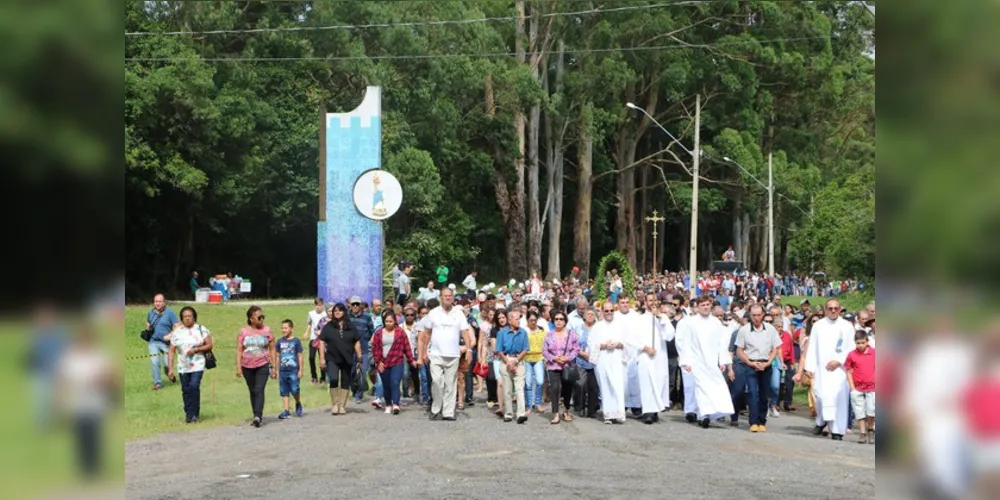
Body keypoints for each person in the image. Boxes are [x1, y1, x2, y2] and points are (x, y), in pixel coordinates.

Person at [675, 295, 735, 429]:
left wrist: (723, 361)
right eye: (703, 305)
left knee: (713, 388)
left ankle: (710, 411)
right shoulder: (691, 322)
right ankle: (703, 415)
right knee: (700, 387)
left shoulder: (716, 322)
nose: (706, 307)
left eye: (708, 305)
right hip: (696, 361)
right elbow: (686, 343)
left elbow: (722, 343)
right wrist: (686, 361)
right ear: (697, 307)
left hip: (712, 362)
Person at [417, 288, 475, 422]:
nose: (447, 298)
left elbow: (465, 332)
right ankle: (436, 408)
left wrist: (469, 350)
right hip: (436, 354)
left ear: (453, 297)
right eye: (445, 296)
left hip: (453, 354)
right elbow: (427, 333)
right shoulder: (433, 313)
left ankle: (448, 412)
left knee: (450, 384)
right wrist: (424, 352)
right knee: (437, 382)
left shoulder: (458, 314)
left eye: (450, 296)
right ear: (441, 298)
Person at [803, 299, 856, 440]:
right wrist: (809, 367)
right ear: (825, 310)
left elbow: (851, 348)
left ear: (839, 310)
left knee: (839, 399)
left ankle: (837, 430)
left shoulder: (847, 326)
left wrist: (839, 361)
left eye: (836, 308)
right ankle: (821, 421)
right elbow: (812, 346)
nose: (833, 311)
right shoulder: (818, 326)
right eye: (830, 308)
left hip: (840, 370)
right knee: (821, 397)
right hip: (822, 369)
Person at [733, 305, 782, 433]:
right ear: (750, 315)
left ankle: (761, 421)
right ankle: (753, 421)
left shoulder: (770, 329)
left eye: (758, 315)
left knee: (764, 394)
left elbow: (776, 348)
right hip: (751, 364)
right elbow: (739, 350)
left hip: (766, 364)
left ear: (763, 315)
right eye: (753, 315)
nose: (756, 318)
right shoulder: (744, 330)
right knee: (752, 393)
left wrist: (768, 362)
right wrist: (749, 362)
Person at [624, 292, 671, 424]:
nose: (653, 303)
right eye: (650, 300)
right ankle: (648, 412)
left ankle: (654, 411)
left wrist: (660, 318)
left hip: (660, 357)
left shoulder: (663, 318)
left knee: (659, 382)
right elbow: (631, 339)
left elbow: (669, 336)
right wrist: (645, 348)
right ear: (645, 302)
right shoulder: (639, 319)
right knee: (647, 384)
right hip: (645, 356)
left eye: (655, 300)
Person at [166, 306, 213, 424]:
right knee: (185, 389)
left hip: (198, 363)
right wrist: (170, 369)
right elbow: (171, 351)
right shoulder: (177, 332)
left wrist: (197, 349)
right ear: (182, 318)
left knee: (194, 386)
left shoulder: (201, 329)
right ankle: (188, 414)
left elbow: (209, 345)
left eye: (189, 316)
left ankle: (195, 414)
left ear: (194, 317)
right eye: (185, 316)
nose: (187, 318)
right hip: (183, 366)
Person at [318, 303, 362, 415]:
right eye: (335, 311)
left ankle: (342, 405)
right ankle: (335, 404)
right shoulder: (328, 326)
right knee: (333, 379)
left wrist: (359, 356)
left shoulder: (350, 326)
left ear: (344, 312)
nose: (337, 312)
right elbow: (321, 341)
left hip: (347, 357)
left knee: (345, 381)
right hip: (332, 357)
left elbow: (356, 341)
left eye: (340, 310)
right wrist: (322, 358)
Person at [589, 302, 628, 424]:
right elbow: (591, 343)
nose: (609, 313)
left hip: (617, 359)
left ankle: (619, 413)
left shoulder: (620, 325)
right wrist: (603, 345)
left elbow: (628, 342)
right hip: (603, 359)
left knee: (618, 385)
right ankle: (608, 415)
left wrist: (619, 344)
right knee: (605, 386)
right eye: (606, 311)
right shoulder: (597, 327)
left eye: (611, 310)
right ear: (602, 311)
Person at [372, 310, 418, 415]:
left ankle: (396, 404)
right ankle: (388, 404)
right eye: (387, 321)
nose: (388, 323)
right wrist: (378, 362)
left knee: (395, 382)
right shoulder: (379, 333)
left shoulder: (400, 333)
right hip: (383, 363)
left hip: (397, 361)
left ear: (395, 322)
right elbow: (375, 349)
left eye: (391, 321)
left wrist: (411, 360)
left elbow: (407, 347)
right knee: (386, 384)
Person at [236, 305, 275, 428]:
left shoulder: (267, 330)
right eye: (259, 317)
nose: (261, 319)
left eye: (263, 316)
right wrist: (238, 367)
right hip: (247, 366)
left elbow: (272, 349)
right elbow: (239, 350)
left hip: (263, 364)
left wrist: (274, 366)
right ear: (251, 319)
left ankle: (258, 416)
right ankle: (255, 414)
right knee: (252, 390)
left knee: (259, 389)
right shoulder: (243, 332)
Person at [542, 311, 580, 424]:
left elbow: (576, 349)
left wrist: (568, 358)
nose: (559, 321)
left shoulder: (571, 334)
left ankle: (566, 410)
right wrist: (554, 358)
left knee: (567, 389)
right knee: (554, 388)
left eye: (561, 319)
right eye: (556, 319)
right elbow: (544, 350)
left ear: (565, 321)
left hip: (567, 365)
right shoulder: (549, 335)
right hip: (553, 365)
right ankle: (555, 414)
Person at [495, 309, 529, 423]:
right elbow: (498, 350)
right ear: (510, 320)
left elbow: (526, 349)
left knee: (519, 388)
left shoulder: (523, 332)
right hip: (506, 359)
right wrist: (508, 362)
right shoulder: (501, 333)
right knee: (507, 389)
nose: (518, 321)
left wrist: (516, 361)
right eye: (516, 319)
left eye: (519, 319)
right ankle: (508, 414)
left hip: (519, 360)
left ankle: (521, 414)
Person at [844, 331, 876, 444]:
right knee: (859, 411)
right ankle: (863, 432)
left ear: (867, 341)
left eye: (863, 343)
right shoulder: (852, 355)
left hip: (872, 387)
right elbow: (848, 370)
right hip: (857, 387)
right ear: (855, 343)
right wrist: (852, 387)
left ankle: (870, 428)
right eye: (858, 343)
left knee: (872, 410)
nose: (860, 345)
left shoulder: (874, 353)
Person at [347, 296, 378, 405]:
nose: (355, 306)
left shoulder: (366, 317)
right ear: (350, 305)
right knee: (351, 372)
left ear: (360, 305)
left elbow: (372, 331)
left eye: (357, 304)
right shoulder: (346, 316)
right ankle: (354, 391)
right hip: (349, 350)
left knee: (362, 372)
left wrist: (367, 340)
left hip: (364, 349)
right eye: (353, 304)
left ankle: (359, 394)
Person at [145, 293, 180, 390]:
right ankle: (158, 383)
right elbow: (148, 322)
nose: (157, 303)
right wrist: (148, 326)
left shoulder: (170, 313)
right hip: (153, 342)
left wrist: (170, 335)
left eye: (160, 301)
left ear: (164, 303)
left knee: (167, 364)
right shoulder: (150, 313)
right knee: (155, 362)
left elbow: (178, 326)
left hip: (166, 344)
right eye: (156, 301)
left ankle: (169, 373)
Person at [274, 319, 304, 419]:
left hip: (293, 370)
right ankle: (286, 411)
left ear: (291, 328)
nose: (283, 330)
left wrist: (301, 370)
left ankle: (297, 402)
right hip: (283, 370)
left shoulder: (296, 341)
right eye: (282, 328)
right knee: (284, 390)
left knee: (295, 389)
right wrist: (276, 370)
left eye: (286, 328)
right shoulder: (279, 341)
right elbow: (277, 356)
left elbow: (300, 356)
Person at [574, 308, 600, 419]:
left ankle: (592, 410)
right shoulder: (578, 328)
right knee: (580, 384)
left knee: (593, 386)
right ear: (584, 316)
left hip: (595, 361)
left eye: (592, 314)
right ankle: (580, 407)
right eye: (588, 314)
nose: (590, 316)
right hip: (581, 360)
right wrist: (583, 354)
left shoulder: (598, 328)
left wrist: (593, 355)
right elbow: (573, 344)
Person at [523, 311, 547, 415]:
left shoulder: (542, 330)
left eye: (535, 320)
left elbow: (545, 344)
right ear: (527, 320)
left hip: (539, 357)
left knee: (540, 381)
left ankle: (537, 403)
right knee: (528, 383)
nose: (533, 322)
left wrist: (546, 357)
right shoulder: (524, 331)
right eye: (531, 320)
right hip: (526, 358)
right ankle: (529, 405)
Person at [304, 298, 327, 385]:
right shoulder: (311, 313)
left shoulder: (325, 314)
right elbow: (309, 324)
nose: (318, 307)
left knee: (322, 358)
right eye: (317, 305)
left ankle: (323, 378)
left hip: (322, 340)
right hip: (313, 339)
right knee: (311, 357)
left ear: (322, 305)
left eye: (320, 305)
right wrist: (306, 332)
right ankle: (314, 377)